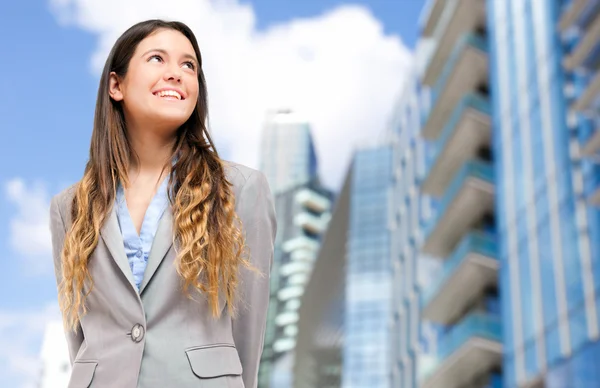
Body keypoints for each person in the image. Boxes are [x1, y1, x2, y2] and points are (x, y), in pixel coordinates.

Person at [49, 19, 276, 388]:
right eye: (158, 59)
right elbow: (79, 337)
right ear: (116, 85)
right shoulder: (68, 208)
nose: (177, 74)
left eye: (189, 66)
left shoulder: (242, 189)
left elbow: (248, 332)